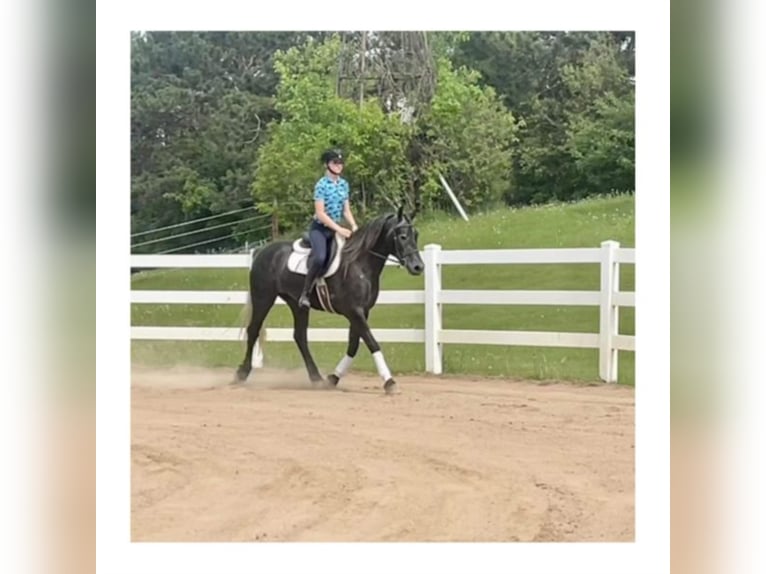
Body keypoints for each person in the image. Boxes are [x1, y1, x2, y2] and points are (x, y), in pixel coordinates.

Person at [298, 148, 359, 308]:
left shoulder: (343, 185)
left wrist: (353, 225)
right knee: (319, 258)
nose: (339, 166)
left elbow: (346, 210)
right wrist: (339, 229)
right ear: (327, 165)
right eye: (335, 163)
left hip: (336, 229)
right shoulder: (321, 185)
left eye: (340, 163)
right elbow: (321, 213)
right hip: (320, 229)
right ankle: (305, 293)